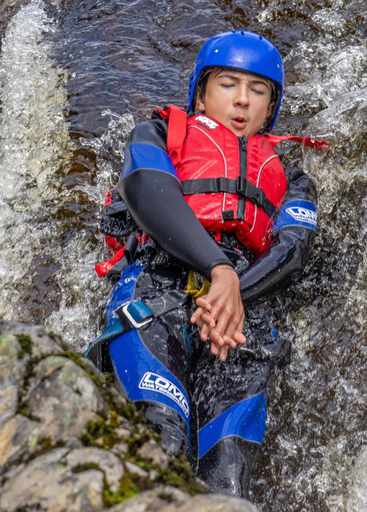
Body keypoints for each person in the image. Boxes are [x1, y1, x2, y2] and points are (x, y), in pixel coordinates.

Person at [86, 30, 324, 496]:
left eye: (257, 91)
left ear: (271, 106)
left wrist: (233, 293)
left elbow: (293, 251)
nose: (241, 101)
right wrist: (220, 271)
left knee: (227, 477)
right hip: (159, 291)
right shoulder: (159, 134)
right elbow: (147, 193)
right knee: (159, 436)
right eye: (227, 85)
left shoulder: (293, 178)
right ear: (200, 92)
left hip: (241, 317)